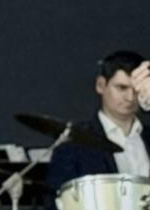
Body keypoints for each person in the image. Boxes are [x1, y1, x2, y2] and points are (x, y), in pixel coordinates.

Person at [46, 50, 150, 191]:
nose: (130, 97)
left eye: (136, 89)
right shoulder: (73, 143)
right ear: (101, 85)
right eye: (122, 88)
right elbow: (56, 199)